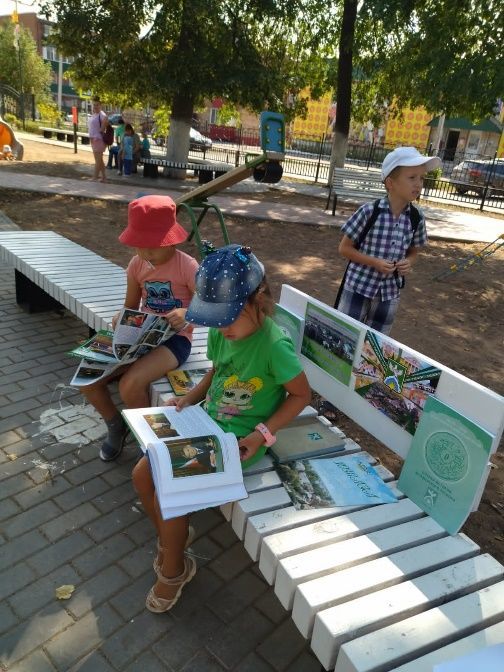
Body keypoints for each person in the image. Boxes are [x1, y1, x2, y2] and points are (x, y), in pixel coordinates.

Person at [132, 243, 311, 613]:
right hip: (204, 421)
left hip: (238, 441)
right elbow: (217, 370)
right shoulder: (220, 330)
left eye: (228, 317)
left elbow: (300, 396)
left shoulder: (274, 345)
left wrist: (261, 434)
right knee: (141, 474)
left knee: (170, 494)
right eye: (214, 318)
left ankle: (174, 569)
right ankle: (174, 541)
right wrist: (191, 397)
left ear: (259, 301)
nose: (220, 327)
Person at [79, 195, 199, 461]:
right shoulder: (136, 265)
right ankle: (116, 425)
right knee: (87, 377)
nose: (145, 254)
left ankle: (152, 444)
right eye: (138, 246)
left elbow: (207, 306)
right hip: (138, 335)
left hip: (175, 340)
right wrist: (120, 316)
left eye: (152, 247)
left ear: (172, 239)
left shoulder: (187, 266)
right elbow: (130, 306)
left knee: (130, 385)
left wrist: (187, 312)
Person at [336, 146, 441, 335]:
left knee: (376, 345)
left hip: (389, 293)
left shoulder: (417, 217)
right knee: (345, 336)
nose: (418, 184)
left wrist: (408, 262)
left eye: (421, 178)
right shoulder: (369, 212)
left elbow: (414, 251)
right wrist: (374, 262)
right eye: (412, 178)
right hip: (358, 288)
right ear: (390, 183)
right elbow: (344, 248)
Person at [87, 97, 108, 182]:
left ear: (100, 106)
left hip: (99, 140)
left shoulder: (102, 115)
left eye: (97, 105)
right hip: (93, 140)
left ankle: (95, 177)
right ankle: (104, 178)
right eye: (94, 105)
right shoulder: (94, 115)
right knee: (99, 160)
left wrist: (101, 129)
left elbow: (103, 127)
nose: (95, 106)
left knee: (98, 160)